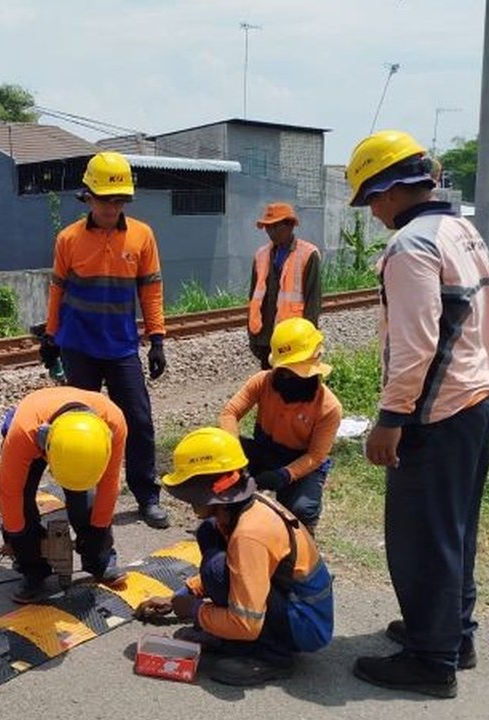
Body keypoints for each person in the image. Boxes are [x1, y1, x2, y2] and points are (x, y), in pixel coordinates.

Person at [344, 129, 489, 699]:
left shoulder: (411, 245)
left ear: (388, 191)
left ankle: (430, 660)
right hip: (477, 401)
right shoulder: (461, 230)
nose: (373, 211)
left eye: (371, 200)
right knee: (456, 530)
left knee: (420, 537)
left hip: (436, 413)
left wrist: (391, 420)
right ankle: (452, 635)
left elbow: (416, 345)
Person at [135, 427, 333, 686]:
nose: (188, 501)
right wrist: (182, 597)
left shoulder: (249, 535)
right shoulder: (235, 511)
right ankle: (232, 639)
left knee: (215, 569)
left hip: (305, 623)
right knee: (208, 535)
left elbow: (245, 621)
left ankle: (273, 656)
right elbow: (240, 572)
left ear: (209, 491)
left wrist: (196, 610)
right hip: (288, 601)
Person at [40, 150, 170, 529]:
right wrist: (51, 337)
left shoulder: (143, 236)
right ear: (88, 197)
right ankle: (79, 494)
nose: (112, 207)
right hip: (79, 347)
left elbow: (152, 291)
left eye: (119, 200)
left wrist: (157, 338)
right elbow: (57, 291)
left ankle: (147, 495)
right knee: (77, 423)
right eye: (105, 199)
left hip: (122, 348)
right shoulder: (68, 239)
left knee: (139, 422)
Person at [0, 386, 129, 604]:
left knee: (87, 503)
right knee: (21, 507)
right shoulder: (23, 434)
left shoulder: (113, 424)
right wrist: (19, 540)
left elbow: (109, 486)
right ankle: (34, 570)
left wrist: (97, 532)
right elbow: (10, 495)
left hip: (78, 436)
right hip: (35, 424)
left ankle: (101, 561)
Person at [219, 317, 342, 534]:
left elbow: (315, 456)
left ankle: (302, 541)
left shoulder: (328, 407)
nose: (290, 377)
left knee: (301, 509)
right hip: (266, 448)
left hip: (301, 462)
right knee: (222, 465)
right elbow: (230, 413)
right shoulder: (262, 382)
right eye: (286, 371)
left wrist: (284, 475)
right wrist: (234, 455)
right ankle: (230, 524)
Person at [247, 202, 323, 369]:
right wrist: (253, 337)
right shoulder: (261, 255)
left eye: (275, 226)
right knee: (270, 385)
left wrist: (308, 340)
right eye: (268, 227)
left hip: (292, 339)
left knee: (291, 385)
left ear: (290, 225)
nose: (270, 232)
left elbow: (312, 303)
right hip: (265, 337)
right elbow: (253, 298)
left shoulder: (308, 254)